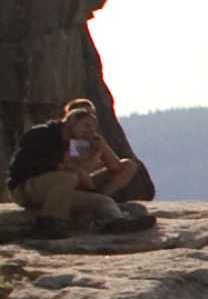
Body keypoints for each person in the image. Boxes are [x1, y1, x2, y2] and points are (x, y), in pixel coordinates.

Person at [9, 97, 150, 233]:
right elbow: (21, 165)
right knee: (68, 177)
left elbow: (116, 168)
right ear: (72, 118)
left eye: (92, 128)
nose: (88, 131)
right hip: (26, 189)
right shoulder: (41, 134)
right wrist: (55, 165)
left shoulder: (76, 140)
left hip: (62, 190)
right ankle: (51, 222)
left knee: (102, 201)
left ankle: (116, 222)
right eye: (86, 125)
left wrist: (101, 148)